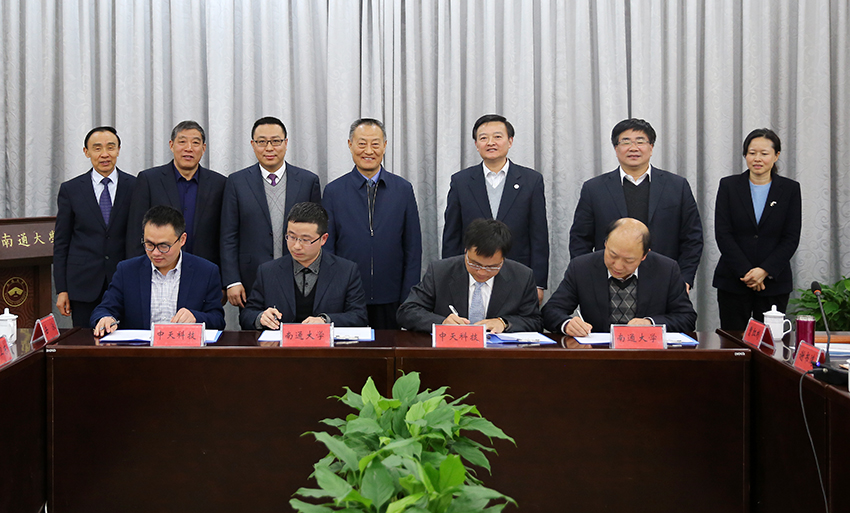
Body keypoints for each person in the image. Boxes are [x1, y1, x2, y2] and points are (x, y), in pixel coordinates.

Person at [569, 118, 703, 291]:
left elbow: (692, 238)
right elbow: (580, 239)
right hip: (609, 280)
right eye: (626, 142)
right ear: (616, 149)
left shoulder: (677, 186)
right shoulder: (594, 188)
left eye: (640, 141)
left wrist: (684, 279)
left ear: (651, 147)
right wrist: (587, 278)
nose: (633, 148)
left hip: (665, 280)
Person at [322, 118, 422, 329]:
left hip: (392, 297)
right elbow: (328, 249)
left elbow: (413, 248)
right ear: (350, 145)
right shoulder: (333, 191)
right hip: (347, 298)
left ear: (384, 146)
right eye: (361, 143)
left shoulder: (403, 189)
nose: (368, 150)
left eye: (375, 144)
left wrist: (409, 297)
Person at [442, 114, 549, 302]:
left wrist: (538, 283)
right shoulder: (461, 181)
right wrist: (450, 277)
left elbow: (539, 235)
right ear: (476, 144)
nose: (490, 142)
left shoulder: (531, 181)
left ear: (510, 141)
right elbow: (451, 235)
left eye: (498, 137)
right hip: (472, 273)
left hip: (517, 272)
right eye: (483, 138)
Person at [220, 116, 322, 308]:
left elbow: (318, 234)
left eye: (275, 141)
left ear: (286, 143)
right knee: (256, 325)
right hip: (251, 278)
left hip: (300, 274)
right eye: (262, 142)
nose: (269, 148)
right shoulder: (236, 182)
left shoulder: (308, 181)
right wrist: (232, 281)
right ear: (253, 144)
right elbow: (228, 236)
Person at [543, 218, 696, 335]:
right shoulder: (582, 267)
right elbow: (551, 310)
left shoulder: (666, 270)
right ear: (606, 244)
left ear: (644, 255)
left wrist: (650, 323)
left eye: (628, 260)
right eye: (612, 255)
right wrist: (567, 324)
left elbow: (687, 318)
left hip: (648, 355)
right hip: (598, 354)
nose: (617, 266)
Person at [713, 128, 802, 329]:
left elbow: (791, 237)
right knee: (733, 341)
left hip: (773, 283)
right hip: (734, 280)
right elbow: (723, 233)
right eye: (752, 153)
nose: (757, 158)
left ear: (776, 155)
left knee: (770, 342)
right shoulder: (728, 186)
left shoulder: (790, 189)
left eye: (764, 153)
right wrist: (747, 272)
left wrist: (764, 271)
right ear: (745, 155)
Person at [91, 205, 225, 334]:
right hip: (140, 348)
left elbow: (217, 320)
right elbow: (105, 308)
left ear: (182, 240)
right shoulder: (127, 271)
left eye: (164, 246)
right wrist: (106, 318)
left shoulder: (206, 272)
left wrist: (195, 318)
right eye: (149, 244)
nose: (155, 253)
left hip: (185, 347)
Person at [53, 127, 137, 327]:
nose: (104, 154)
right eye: (97, 148)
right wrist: (62, 289)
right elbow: (62, 242)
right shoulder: (71, 189)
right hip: (83, 285)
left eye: (110, 147)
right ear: (86, 152)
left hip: (124, 282)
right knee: (85, 341)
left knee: (126, 341)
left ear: (118, 150)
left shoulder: (135, 186)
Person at [397, 218, 542, 333]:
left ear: (503, 259)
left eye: (492, 267)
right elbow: (407, 311)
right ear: (466, 251)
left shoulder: (522, 276)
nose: (482, 272)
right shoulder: (440, 271)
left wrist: (504, 323)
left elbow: (535, 321)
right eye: (475, 264)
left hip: (499, 356)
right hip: (450, 353)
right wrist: (442, 322)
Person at [240, 202, 368, 329]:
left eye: (305, 240)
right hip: (282, 341)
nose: (296, 246)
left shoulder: (346, 271)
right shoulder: (268, 271)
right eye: (291, 237)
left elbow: (359, 316)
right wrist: (261, 317)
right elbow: (247, 315)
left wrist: (326, 321)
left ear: (323, 239)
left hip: (326, 342)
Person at [126, 121, 226, 268]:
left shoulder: (220, 184)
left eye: (195, 143)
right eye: (182, 142)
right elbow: (136, 231)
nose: (188, 148)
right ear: (171, 145)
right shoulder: (149, 180)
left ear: (203, 148)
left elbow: (225, 235)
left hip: (204, 269)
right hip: (158, 268)